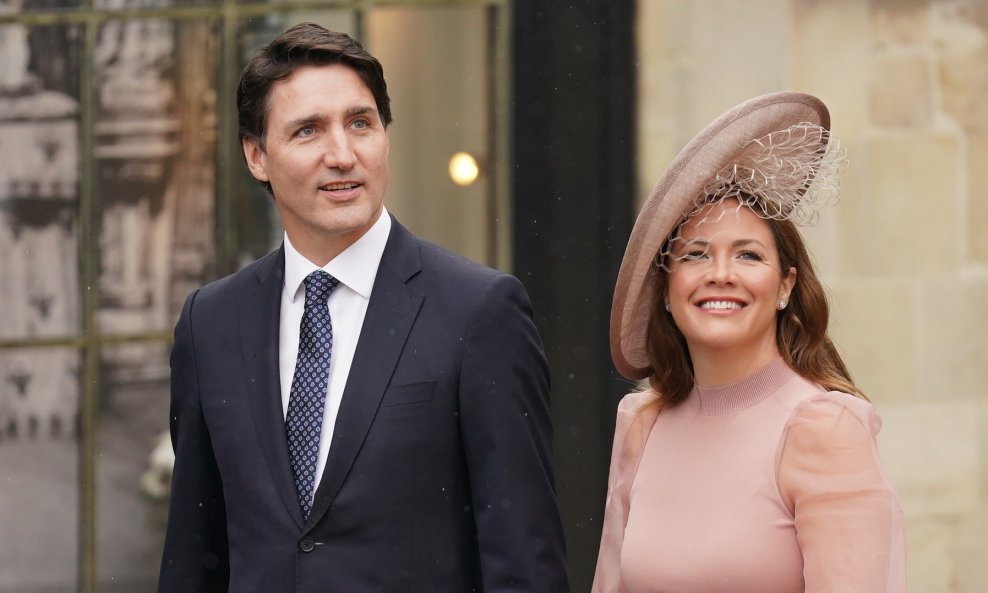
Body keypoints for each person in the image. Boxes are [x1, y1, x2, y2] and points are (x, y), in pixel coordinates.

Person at [158, 22, 569, 593]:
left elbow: (524, 562)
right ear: (257, 156)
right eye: (308, 131)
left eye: (360, 123)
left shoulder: (479, 312)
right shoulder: (211, 322)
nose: (343, 154)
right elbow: (193, 555)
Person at [592, 92, 906, 593]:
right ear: (666, 291)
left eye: (748, 256)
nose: (720, 275)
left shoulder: (824, 429)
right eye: (695, 255)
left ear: (785, 286)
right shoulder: (642, 424)